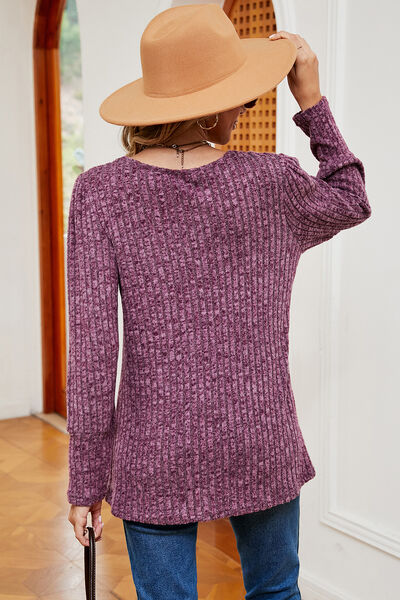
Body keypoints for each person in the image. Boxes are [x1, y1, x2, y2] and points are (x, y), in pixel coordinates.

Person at [66, 5, 371, 599]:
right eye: (240, 95)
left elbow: (93, 352)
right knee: (276, 592)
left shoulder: (100, 193)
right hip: (261, 438)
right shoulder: (272, 182)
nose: (246, 107)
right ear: (209, 105)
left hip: (155, 451)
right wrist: (311, 102)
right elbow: (351, 197)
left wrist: (85, 484)